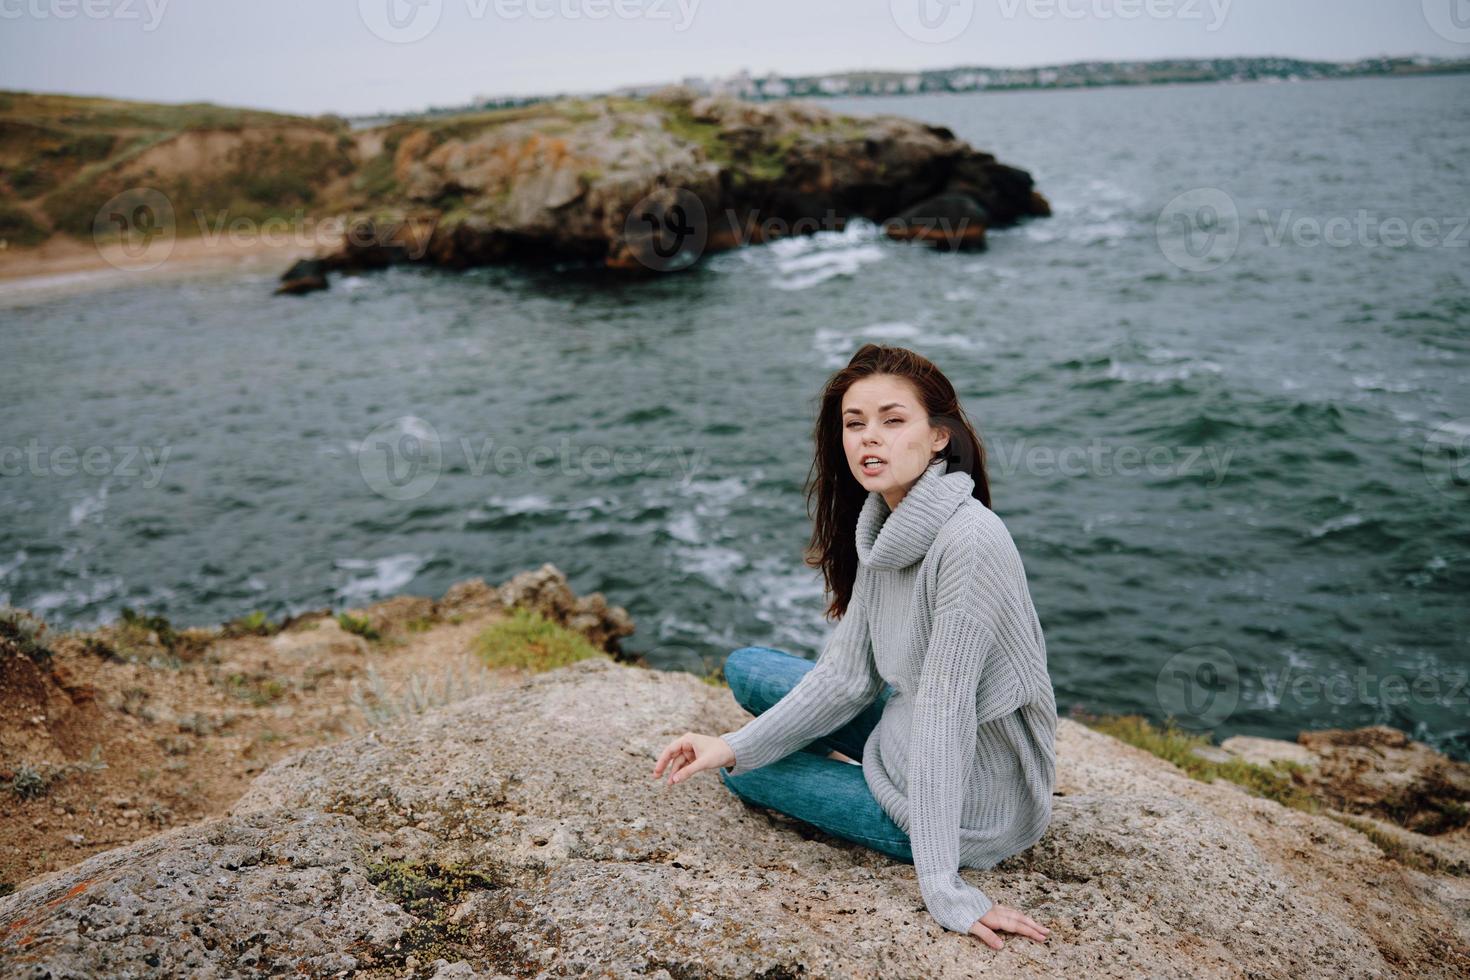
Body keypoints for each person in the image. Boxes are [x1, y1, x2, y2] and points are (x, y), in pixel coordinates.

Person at [652, 343, 1056, 951]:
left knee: (747, 779)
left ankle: (841, 774)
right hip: (903, 732)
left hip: (973, 800)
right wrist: (732, 743)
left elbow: (947, 718)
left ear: (939, 436)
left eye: (894, 421)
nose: (871, 439)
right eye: (855, 423)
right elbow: (845, 678)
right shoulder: (886, 523)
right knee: (748, 670)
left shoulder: (969, 541)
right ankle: (795, 750)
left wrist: (947, 890)